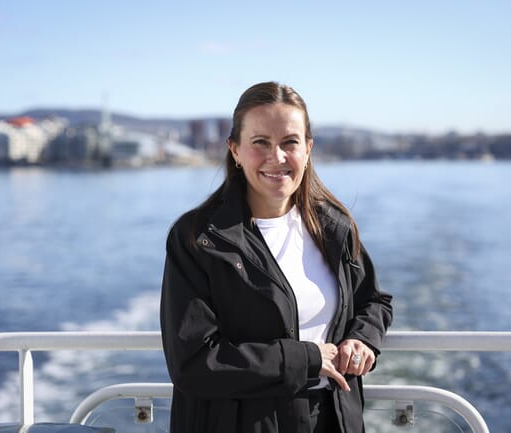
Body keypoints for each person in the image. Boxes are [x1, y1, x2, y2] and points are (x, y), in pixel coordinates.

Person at [160, 81, 393, 433]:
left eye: (289, 142)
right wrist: (308, 359)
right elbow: (193, 363)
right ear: (235, 150)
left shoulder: (333, 227)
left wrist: (362, 340)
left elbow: (373, 301)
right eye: (260, 143)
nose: (277, 157)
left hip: (333, 421)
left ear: (308, 148)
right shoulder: (198, 239)